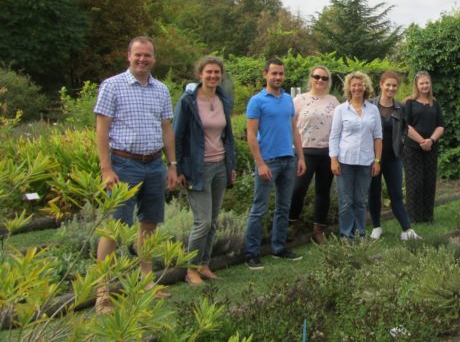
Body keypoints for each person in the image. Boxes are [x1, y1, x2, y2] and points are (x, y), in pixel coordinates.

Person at [93, 36, 179, 314]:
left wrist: (172, 165)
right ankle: (102, 291)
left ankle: (146, 281)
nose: (143, 60)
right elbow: (102, 130)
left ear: (154, 58)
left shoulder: (161, 89)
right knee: (115, 228)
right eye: (138, 55)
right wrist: (106, 169)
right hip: (123, 164)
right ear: (128, 56)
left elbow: (166, 129)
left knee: (149, 225)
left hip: (154, 164)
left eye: (148, 56)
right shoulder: (112, 86)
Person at [174, 56, 236, 285]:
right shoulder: (188, 101)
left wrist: (231, 165)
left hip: (220, 166)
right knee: (203, 222)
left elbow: (227, 136)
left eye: (217, 73)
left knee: (213, 218)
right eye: (208, 72)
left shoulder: (222, 99)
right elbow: (177, 135)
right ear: (200, 74)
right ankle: (190, 270)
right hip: (197, 168)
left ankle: (204, 264)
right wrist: (178, 168)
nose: (213, 76)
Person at [244, 58, 306, 269]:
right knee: (259, 208)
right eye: (274, 74)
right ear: (265, 75)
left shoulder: (289, 99)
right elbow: (251, 135)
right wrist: (260, 163)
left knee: (283, 207)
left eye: (281, 74)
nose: (278, 77)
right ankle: (251, 253)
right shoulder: (257, 101)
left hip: (288, 160)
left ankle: (278, 248)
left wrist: (301, 157)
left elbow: (294, 129)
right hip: (268, 161)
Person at [289, 65, 339, 244]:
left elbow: (339, 127)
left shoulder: (333, 101)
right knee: (298, 189)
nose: (320, 80)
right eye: (317, 76)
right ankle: (292, 222)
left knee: (323, 192)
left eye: (324, 78)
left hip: (326, 153)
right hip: (304, 153)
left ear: (328, 81)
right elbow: (291, 126)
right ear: (311, 78)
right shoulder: (299, 100)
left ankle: (319, 229)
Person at [368, 71, 421, 241]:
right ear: (381, 85)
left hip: (393, 157)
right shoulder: (370, 106)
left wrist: (402, 144)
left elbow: (405, 129)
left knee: (396, 194)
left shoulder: (400, 108)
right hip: (372, 158)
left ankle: (407, 230)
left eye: (394, 85)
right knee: (374, 192)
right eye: (388, 85)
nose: (391, 88)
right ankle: (376, 227)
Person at [329, 72, 382, 240]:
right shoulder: (341, 110)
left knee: (360, 201)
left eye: (360, 85)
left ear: (365, 87)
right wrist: (334, 159)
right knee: (346, 202)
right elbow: (334, 136)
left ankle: (361, 234)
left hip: (366, 162)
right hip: (345, 162)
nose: (357, 87)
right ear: (349, 88)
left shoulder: (373, 110)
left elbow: (378, 137)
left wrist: (377, 160)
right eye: (354, 85)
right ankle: (346, 235)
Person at [403, 71, 445, 223]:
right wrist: (422, 141)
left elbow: (441, 126)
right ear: (416, 85)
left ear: (430, 84)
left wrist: (431, 141)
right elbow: (405, 125)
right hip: (412, 149)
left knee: (429, 181)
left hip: (431, 148)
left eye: (427, 83)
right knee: (414, 183)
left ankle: (428, 216)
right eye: (422, 83)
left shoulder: (435, 102)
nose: (425, 86)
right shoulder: (409, 103)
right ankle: (413, 217)